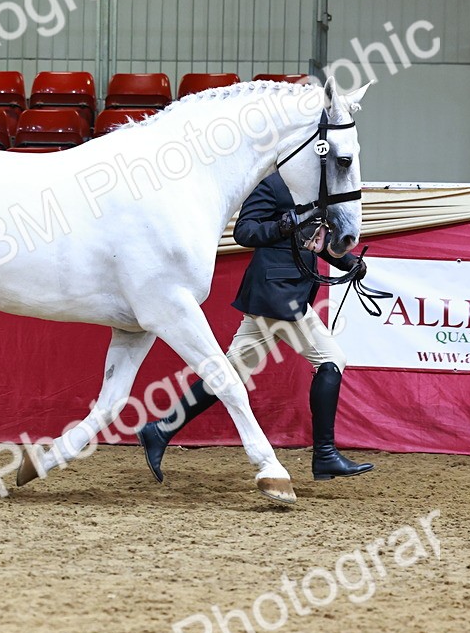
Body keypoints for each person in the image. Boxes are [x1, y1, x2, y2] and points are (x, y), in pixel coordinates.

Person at [137, 171, 374, 483]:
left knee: (230, 373)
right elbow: (245, 232)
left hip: (285, 294)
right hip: (278, 294)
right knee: (331, 359)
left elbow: (315, 240)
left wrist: (348, 262)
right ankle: (325, 455)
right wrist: (283, 225)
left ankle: (160, 430)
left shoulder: (315, 189)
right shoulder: (271, 184)